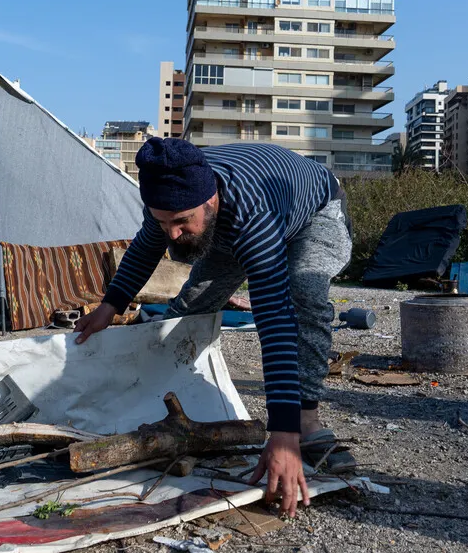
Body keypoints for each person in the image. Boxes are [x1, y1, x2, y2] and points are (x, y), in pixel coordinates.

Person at [75, 138, 354, 515]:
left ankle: (306, 419)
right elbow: (145, 246)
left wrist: (284, 433)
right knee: (189, 309)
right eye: (162, 221)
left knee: (303, 293)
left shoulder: (251, 215)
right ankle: (160, 395)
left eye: (181, 222)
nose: (172, 234)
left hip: (315, 210)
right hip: (232, 219)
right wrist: (110, 306)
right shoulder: (168, 190)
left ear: (210, 202)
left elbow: (275, 320)